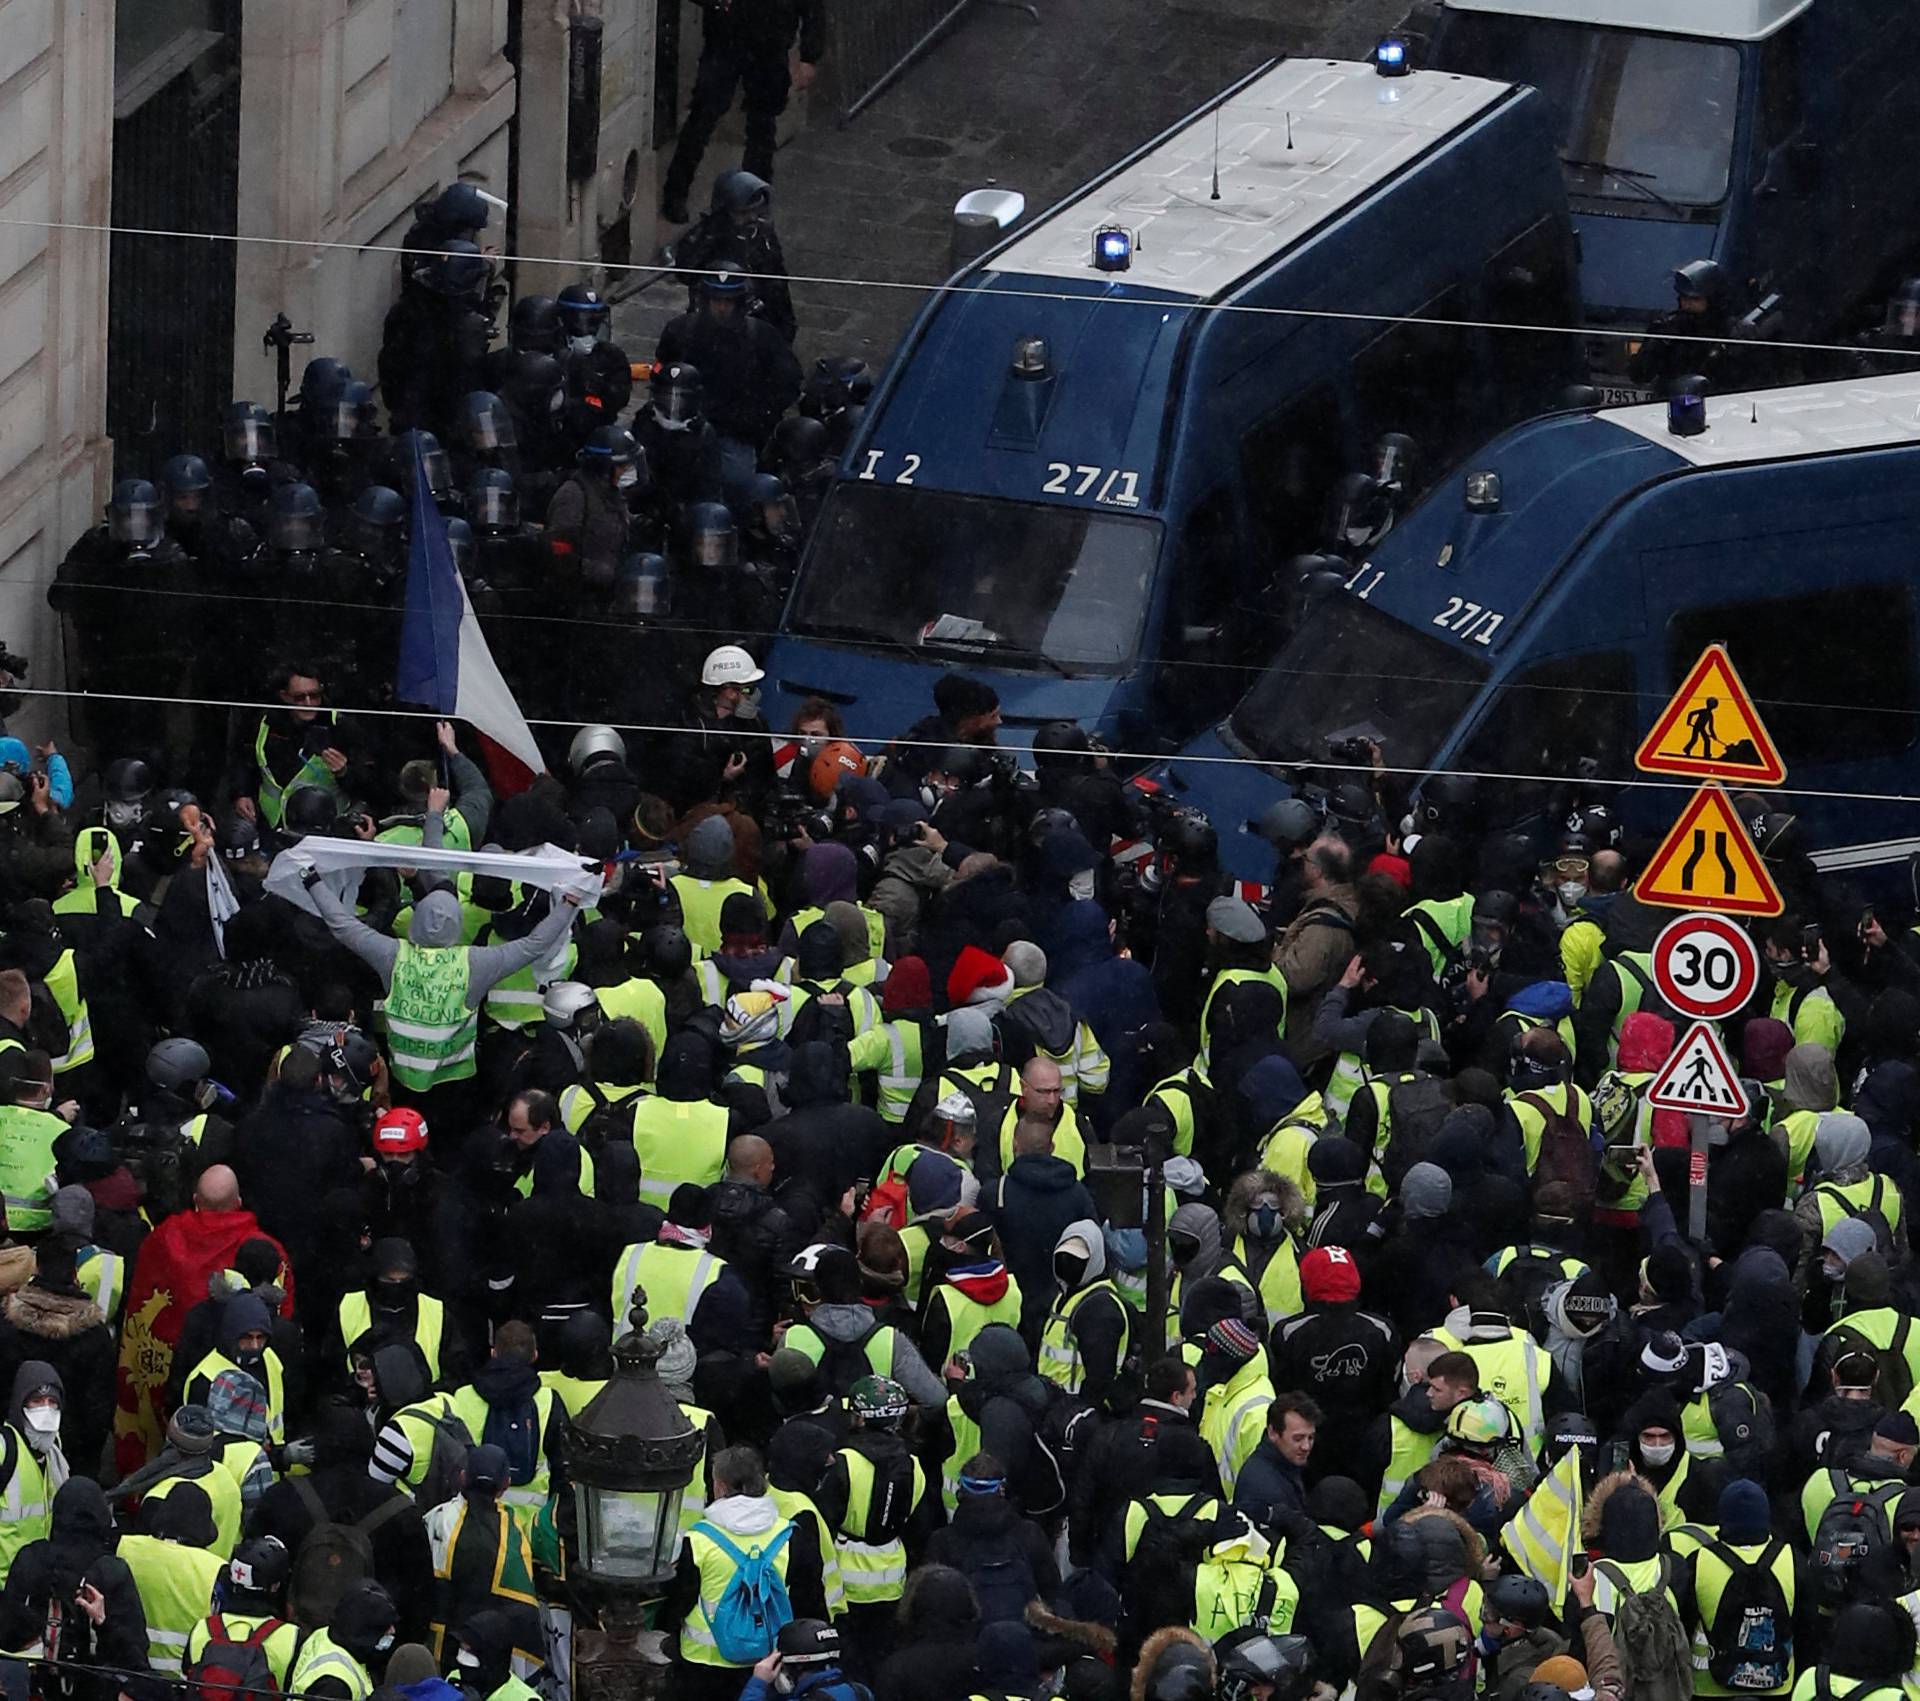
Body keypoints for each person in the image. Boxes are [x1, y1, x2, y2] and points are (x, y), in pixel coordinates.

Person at [659, 0, 826, 222]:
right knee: (705, 117)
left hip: (767, 42)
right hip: (729, 38)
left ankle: (753, 201)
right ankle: (676, 193)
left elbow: (813, 7)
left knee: (760, 128)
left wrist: (809, 55)